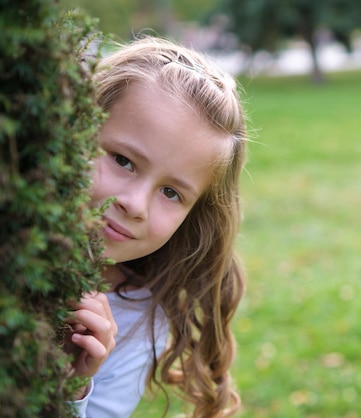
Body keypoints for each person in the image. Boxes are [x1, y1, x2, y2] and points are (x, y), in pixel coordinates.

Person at [67, 35, 248, 418]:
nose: (134, 204)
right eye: (122, 160)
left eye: (170, 192)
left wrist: (70, 386)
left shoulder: (136, 323)